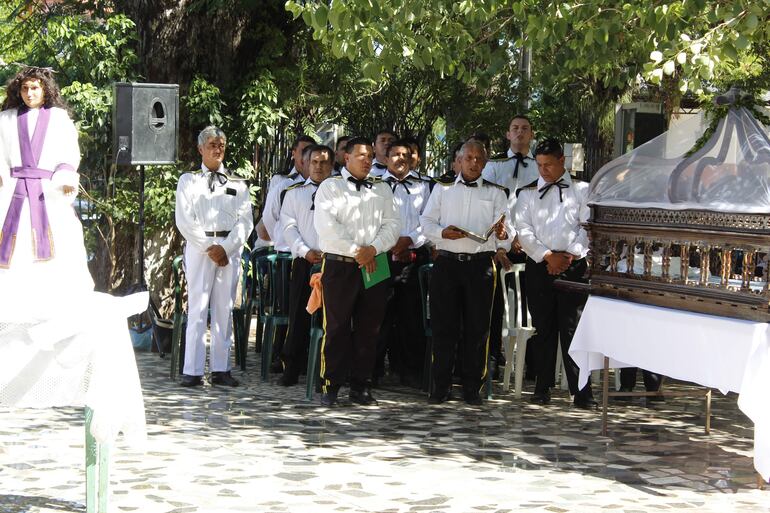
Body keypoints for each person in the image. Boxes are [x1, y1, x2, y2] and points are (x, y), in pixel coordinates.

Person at [420, 140, 510, 405]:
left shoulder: (496, 192)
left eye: (479, 158)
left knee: (478, 328)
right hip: (447, 263)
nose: (473, 162)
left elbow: (507, 230)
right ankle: (441, 386)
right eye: (468, 157)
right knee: (444, 327)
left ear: (485, 162)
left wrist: (504, 235)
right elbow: (426, 222)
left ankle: (473, 387)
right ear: (459, 160)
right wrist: (441, 233)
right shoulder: (442, 188)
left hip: (480, 265)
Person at [313, 136, 400, 406]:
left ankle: (361, 385)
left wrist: (373, 249)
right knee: (336, 326)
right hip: (340, 263)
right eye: (361, 155)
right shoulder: (330, 187)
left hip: (376, 261)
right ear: (346, 157)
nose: (367, 160)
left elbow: (392, 225)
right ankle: (330, 385)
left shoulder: (382, 188)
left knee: (370, 328)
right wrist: (358, 251)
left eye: (370, 156)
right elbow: (327, 227)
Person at [0, 66, 93, 307]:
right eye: (25, 88)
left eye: (34, 88)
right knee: (16, 245)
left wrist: (65, 177)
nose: (29, 93)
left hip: (48, 192)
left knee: (60, 240)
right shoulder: (6, 119)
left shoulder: (59, 118)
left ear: (45, 90)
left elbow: (69, 151)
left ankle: (52, 301)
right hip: (12, 191)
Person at [514, 138, 596, 409]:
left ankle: (581, 391)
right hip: (540, 265)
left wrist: (569, 255)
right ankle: (542, 387)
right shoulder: (527, 194)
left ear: (562, 161)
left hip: (573, 266)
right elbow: (524, 231)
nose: (543, 170)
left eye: (548, 164)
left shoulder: (582, 190)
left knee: (573, 328)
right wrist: (548, 256)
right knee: (544, 328)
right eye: (539, 165)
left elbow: (587, 227)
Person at [175, 126, 253, 387]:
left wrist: (226, 248)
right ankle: (193, 370)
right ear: (200, 149)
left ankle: (221, 369)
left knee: (224, 308)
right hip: (201, 249)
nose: (217, 149)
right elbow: (184, 220)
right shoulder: (188, 181)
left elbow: (246, 221)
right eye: (212, 145)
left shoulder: (237, 183)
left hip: (228, 249)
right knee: (197, 307)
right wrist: (210, 247)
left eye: (221, 145)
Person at [482, 115, 541, 380]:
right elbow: (490, 205)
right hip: (500, 246)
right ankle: (493, 358)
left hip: (530, 246)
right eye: (515, 128)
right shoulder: (494, 165)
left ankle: (534, 363)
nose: (519, 132)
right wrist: (505, 241)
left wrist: (525, 239)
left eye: (525, 129)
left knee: (534, 305)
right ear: (507, 134)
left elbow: (540, 210)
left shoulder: (539, 166)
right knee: (494, 307)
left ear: (531, 134)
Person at [375, 139, 433, 386]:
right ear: (386, 159)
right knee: (378, 313)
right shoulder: (375, 185)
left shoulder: (424, 186)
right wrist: (390, 244)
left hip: (413, 257)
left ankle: (410, 371)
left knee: (411, 315)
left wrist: (410, 240)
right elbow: (370, 220)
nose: (400, 159)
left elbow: (429, 220)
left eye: (404, 155)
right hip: (380, 256)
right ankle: (373, 369)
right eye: (395, 154)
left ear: (412, 159)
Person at [278, 144, 334, 386]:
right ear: (306, 164)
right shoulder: (294, 193)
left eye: (323, 162)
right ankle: (292, 368)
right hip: (304, 262)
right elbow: (289, 227)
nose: (318, 167)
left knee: (333, 320)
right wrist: (305, 251)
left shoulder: (340, 192)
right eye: (314, 162)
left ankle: (327, 372)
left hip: (334, 262)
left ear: (332, 165)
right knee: (299, 316)